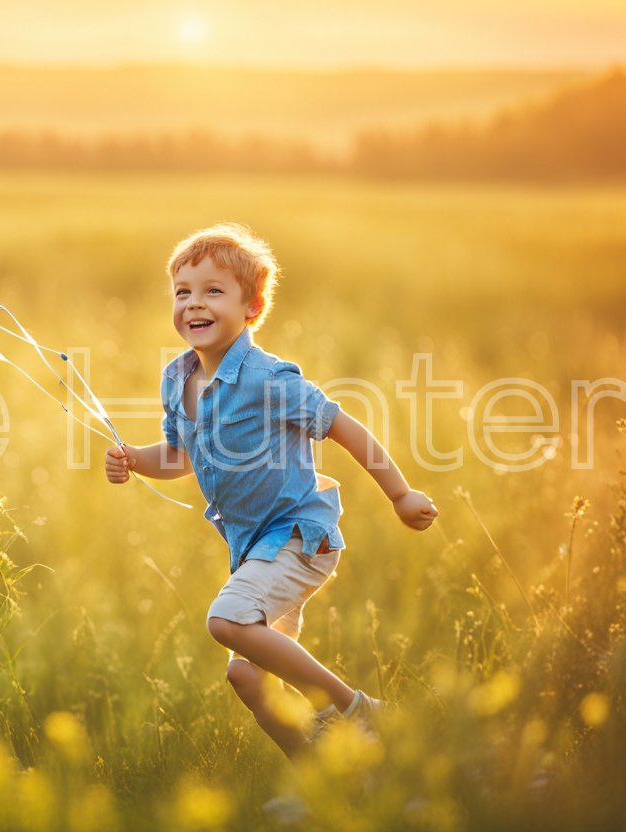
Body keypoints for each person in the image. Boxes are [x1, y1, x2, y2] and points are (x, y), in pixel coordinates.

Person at [104, 223, 437, 760]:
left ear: (252, 307)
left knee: (226, 620)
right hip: (252, 551)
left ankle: (355, 710)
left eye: (214, 290)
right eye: (183, 291)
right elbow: (180, 456)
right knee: (248, 680)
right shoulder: (176, 379)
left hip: (299, 537)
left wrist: (400, 494)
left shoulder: (268, 379)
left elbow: (343, 426)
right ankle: (320, 781)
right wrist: (134, 462)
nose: (194, 303)